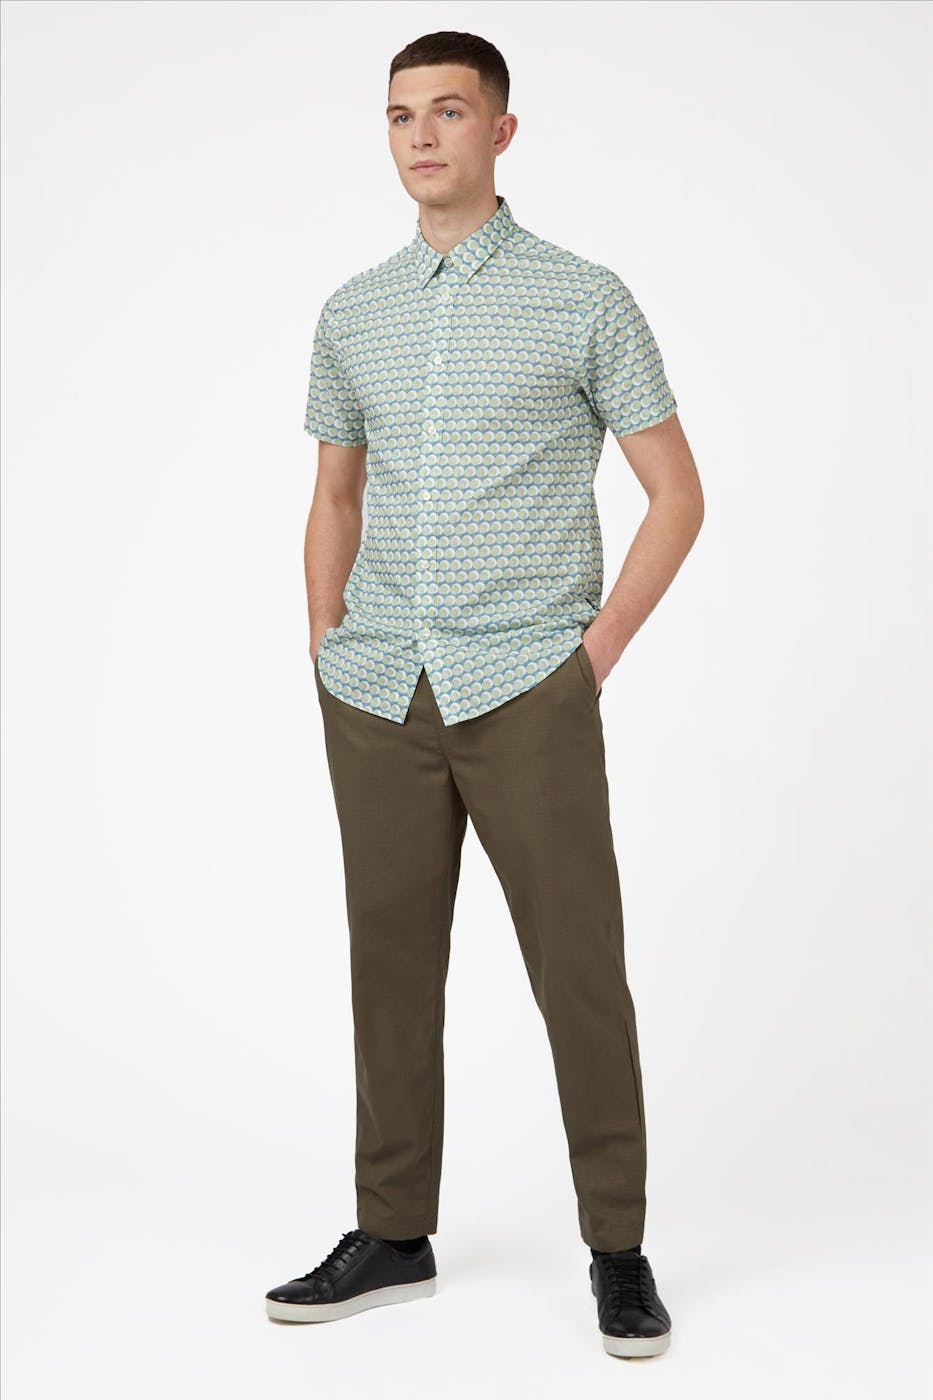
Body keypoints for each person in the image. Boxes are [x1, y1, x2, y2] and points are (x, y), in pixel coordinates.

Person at [265, 30, 703, 1360]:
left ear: (501, 131)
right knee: (388, 970)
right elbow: (334, 496)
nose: (421, 135)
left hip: (527, 684)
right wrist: (326, 644)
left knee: (580, 972)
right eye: (401, 114)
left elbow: (676, 496)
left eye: (449, 112)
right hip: (377, 690)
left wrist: (591, 656)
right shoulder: (354, 311)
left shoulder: (585, 298)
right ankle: (393, 1233)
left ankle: (617, 1250)